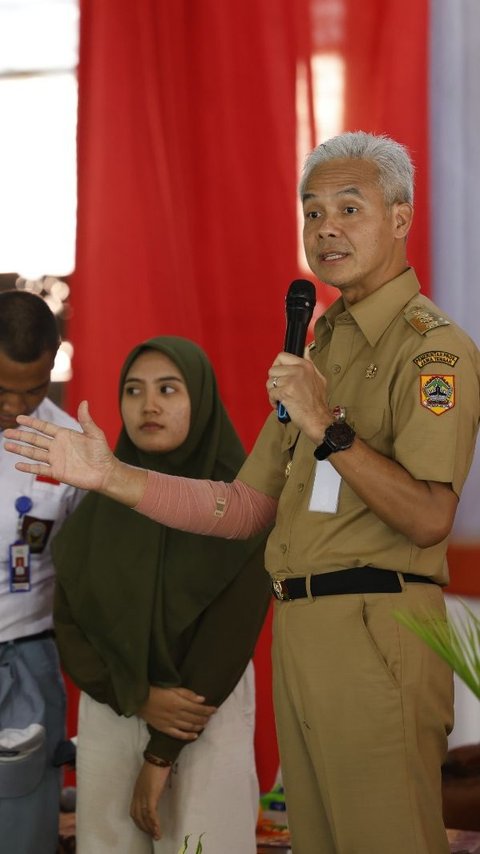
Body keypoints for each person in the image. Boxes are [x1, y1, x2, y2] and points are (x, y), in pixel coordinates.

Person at [4, 131, 480, 854]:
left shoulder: (432, 348)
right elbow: (244, 507)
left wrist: (327, 426)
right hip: (302, 627)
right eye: (312, 211)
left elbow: (428, 515)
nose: (326, 228)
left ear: (402, 218)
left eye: (349, 209)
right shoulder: (320, 348)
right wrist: (111, 477)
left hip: (377, 623)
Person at [49, 336, 270, 853]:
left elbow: (229, 636)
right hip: (114, 707)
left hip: (202, 713)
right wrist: (136, 695)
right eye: (134, 390)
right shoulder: (99, 504)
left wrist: (161, 753)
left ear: (200, 398)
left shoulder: (238, 502)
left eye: (168, 389)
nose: (148, 405)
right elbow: (69, 622)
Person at [0, 289, 84, 853]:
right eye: (2, 389)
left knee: (25, 828)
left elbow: (87, 568)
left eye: (31, 390)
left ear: (54, 360)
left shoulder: (71, 448)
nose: (14, 406)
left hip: (29, 656)